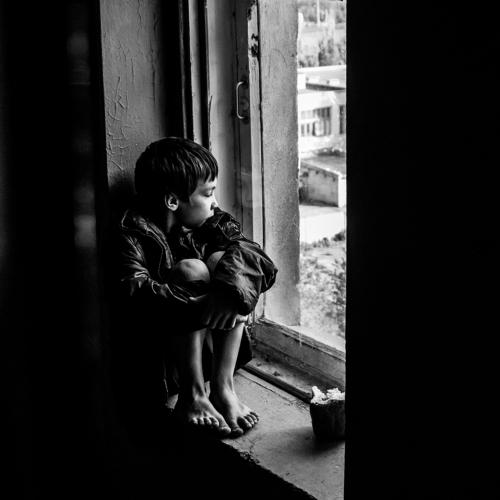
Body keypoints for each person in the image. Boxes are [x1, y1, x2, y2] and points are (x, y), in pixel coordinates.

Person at [115, 137, 277, 438]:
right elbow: (135, 294)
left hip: (213, 353)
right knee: (191, 269)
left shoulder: (210, 221)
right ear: (173, 201)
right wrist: (207, 303)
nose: (214, 203)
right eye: (208, 193)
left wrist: (228, 293)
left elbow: (257, 259)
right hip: (166, 362)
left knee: (226, 264)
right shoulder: (130, 232)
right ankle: (192, 395)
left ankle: (223, 388)